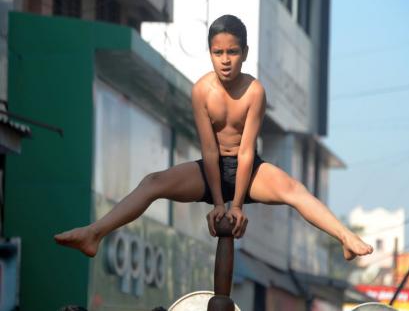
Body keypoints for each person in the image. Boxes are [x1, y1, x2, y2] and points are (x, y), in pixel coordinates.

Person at [55, 14, 373, 261]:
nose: (225, 59)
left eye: (232, 52)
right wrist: (218, 203)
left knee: (293, 189)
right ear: (209, 53)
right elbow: (208, 149)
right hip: (211, 171)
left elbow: (247, 151)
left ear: (245, 53)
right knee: (153, 182)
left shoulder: (254, 91)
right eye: (218, 52)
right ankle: (94, 234)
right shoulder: (202, 91)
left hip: (249, 170)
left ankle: (344, 237)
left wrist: (237, 206)